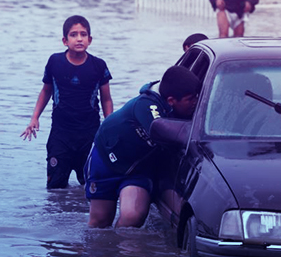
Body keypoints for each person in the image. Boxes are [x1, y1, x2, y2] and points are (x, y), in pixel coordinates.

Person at [86, 66, 201, 228]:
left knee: (132, 217)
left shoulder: (183, 107)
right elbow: (161, 127)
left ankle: (124, 251)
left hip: (139, 169)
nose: (196, 102)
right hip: (106, 158)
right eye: (190, 99)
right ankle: (103, 252)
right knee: (100, 222)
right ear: (171, 101)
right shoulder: (146, 104)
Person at [21, 15, 113, 189]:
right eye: (73, 34)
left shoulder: (98, 66)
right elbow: (46, 91)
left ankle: (84, 216)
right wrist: (34, 118)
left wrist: (110, 126)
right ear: (65, 40)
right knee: (55, 189)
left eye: (83, 34)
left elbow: (106, 99)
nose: (79, 38)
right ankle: (58, 216)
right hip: (60, 134)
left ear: (90, 40)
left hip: (90, 134)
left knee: (91, 186)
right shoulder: (55, 62)